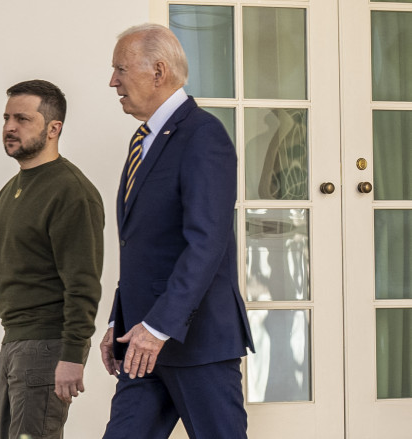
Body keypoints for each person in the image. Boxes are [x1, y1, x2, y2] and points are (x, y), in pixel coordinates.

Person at [100, 24, 255, 439]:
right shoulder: (144, 138)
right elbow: (142, 244)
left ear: (158, 71)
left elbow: (206, 242)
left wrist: (158, 327)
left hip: (196, 342)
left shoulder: (204, 135)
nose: (112, 80)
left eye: (120, 69)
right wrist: (122, 318)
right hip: (142, 342)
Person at [0, 79, 104, 439]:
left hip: (47, 347)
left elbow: (83, 283)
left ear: (54, 128)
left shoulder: (71, 192)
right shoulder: (10, 192)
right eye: (6, 118)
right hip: (14, 344)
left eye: (22, 118)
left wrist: (71, 355)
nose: (9, 127)